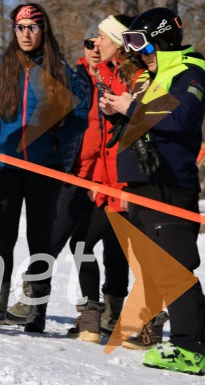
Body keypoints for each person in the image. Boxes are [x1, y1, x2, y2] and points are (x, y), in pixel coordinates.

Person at [100, 7, 205, 374]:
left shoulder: (190, 72)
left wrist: (132, 106)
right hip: (144, 181)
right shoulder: (157, 75)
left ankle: (189, 346)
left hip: (168, 182)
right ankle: (196, 338)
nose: (139, 54)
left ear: (164, 39)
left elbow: (180, 118)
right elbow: (149, 125)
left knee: (174, 264)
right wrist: (118, 113)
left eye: (143, 45)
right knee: (162, 265)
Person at [0, 3, 88, 332]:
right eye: (20, 28)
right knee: (2, 237)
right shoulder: (1, 66)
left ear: (43, 30)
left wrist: (57, 139)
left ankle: (36, 310)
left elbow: (80, 114)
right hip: (6, 165)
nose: (26, 34)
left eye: (32, 27)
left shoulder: (58, 68)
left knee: (40, 239)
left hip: (43, 168)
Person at [45, 16, 133, 343]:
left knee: (119, 250)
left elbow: (114, 135)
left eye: (101, 40)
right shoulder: (82, 76)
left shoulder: (126, 76)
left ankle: (116, 317)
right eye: (89, 42)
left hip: (121, 182)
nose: (95, 46)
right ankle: (92, 318)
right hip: (91, 179)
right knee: (74, 242)